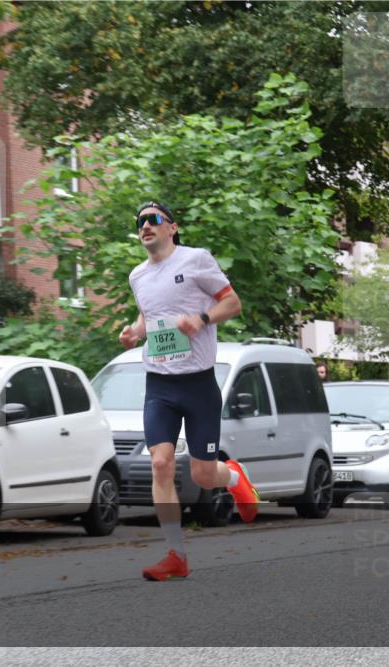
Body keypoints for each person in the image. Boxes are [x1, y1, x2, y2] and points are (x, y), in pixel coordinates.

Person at [118, 201, 260, 582]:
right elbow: (149, 315)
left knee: (201, 476)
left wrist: (202, 318)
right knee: (160, 464)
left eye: (153, 219)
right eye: (140, 221)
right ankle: (175, 554)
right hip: (159, 383)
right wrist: (135, 333)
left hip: (198, 383)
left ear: (172, 227)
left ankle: (232, 477)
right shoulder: (137, 276)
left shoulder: (196, 260)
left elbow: (232, 302)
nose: (145, 225)